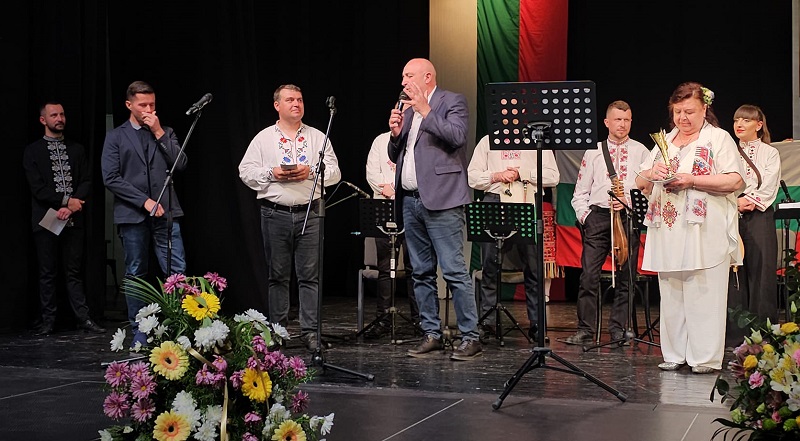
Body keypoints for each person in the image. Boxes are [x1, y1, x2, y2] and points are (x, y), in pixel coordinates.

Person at [635, 82, 745, 374]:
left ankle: (704, 357)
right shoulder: (665, 140)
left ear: (704, 109)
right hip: (669, 229)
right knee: (671, 293)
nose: (682, 118)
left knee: (704, 293)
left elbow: (735, 180)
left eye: (689, 112)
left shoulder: (718, 138)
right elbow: (641, 182)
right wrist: (651, 172)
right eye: (678, 112)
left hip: (704, 230)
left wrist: (692, 180)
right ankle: (674, 353)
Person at [387, 58, 481, 361]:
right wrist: (395, 134)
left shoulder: (451, 101)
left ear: (427, 77)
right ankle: (432, 333)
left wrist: (426, 110)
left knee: (453, 270)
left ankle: (470, 336)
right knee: (421, 272)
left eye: (408, 75)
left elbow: (457, 137)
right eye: (402, 76)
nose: (403, 82)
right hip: (410, 200)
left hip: (443, 199)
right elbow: (397, 154)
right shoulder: (406, 110)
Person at [239, 84, 341, 352]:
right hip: (275, 213)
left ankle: (311, 332)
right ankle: (278, 332)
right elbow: (245, 171)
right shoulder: (263, 138)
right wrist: (272, 173)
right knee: (278, 276)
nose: (296, 104)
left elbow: (335, 172)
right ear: (277, 105)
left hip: (310, 212)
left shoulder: (317, 137)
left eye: (300, 99)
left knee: (310, 276)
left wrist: (311, 171)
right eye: (290, 100)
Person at [101, 81, 188, 350]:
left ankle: (178, 326)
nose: (148, 109)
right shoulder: (116, 137)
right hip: (133, 215)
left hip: (166, 213)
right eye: (143, 105)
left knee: (176, 270)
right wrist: (144, 201)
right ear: (129, 105)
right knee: (136, 271)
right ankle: (140, 329)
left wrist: (158, 131)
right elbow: (111, 177)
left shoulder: (166, 132)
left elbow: (180, 164)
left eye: (152, 104)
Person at [562, 101, 650, 346]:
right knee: (588, 276)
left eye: (626, 120)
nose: (622, 124)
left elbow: (649, 190)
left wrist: (628, 203)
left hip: (628, 217)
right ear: (607, 122)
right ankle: (585, 330)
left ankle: (618, 329)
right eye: (618, 120)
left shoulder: (642, 151)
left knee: (626, 277)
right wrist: (587, 218)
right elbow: (580, 193)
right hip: (599, 217)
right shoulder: (593, 152)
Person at [467, 133, 559, 342]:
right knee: (490, 265)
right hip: (494, 201)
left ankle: (537, 325)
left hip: (526, 200)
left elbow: (553, 176)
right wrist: (496, 176)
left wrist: (522, 173)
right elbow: (472, 176)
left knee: (533, 267)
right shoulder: (488, 140)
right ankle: (488, 322)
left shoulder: (535, 141)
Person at [23, 101, 106, 336]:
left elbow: (86, 180)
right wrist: (65, 201)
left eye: (61, 114)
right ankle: (48, 321)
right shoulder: (33, 151)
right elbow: (37, 188)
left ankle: (83, 318)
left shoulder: (76, 149)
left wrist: (71, 207)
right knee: (47, 272)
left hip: (73, 219)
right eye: (54, 115)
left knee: (73, 272)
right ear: (43, 120)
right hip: (46, 220)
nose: (59, 118)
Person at [727, 105, 781, 345]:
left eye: (746, 120)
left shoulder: (770, 153)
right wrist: (733, 203)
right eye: (736, 120)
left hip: (759, 216)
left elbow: (769, 185)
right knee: (734, 272)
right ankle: (735, 335)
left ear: (759, 125)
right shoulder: (728, 150)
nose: (739, 124)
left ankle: (763, 336)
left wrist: (747, 202)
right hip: (730, 214)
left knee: (761, 273)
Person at [365, 131, 419, 337]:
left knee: (416, 267)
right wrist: (387, 189)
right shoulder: (380, 140)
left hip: (412, 208)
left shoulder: (417, 138)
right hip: (385, 207)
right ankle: (384, 319)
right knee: (385, 267)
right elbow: (372, 172)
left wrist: (403, 192)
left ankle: (419, 319)